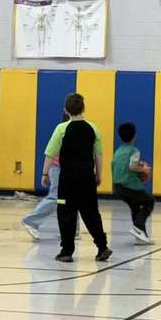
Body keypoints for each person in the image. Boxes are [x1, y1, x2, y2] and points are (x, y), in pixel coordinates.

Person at [46, 92, 111, 262]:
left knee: (66, 213)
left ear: (66, 110)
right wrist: (99, 174)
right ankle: (102, 247)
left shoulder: (61, 129)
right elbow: (98, 155)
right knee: (91, 213)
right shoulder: (93, 128)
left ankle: (66, 251)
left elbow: (50, 153)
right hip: (87, 178)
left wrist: (45, 174)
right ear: (83, 108)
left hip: (67, 179)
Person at [21, 113, 80, 241]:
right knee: (56, 197)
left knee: (73, 198)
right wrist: (45, 173)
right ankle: (30, 221)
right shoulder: (61, 132)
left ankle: (72, 230)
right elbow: (50, 153)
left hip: (71, 170)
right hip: (57, 168)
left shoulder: (79, 133)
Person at [112, 122, 155, 244]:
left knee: (135, 206)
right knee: (149, 201)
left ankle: (141, 237)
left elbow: (120, 166)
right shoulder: (134, 150)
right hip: (128, 185)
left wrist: (138, 165)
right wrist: (144, 169)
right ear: (134, 136)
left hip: (117, 186)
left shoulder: (118, 151)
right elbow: (131, 166)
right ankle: (137, 226)